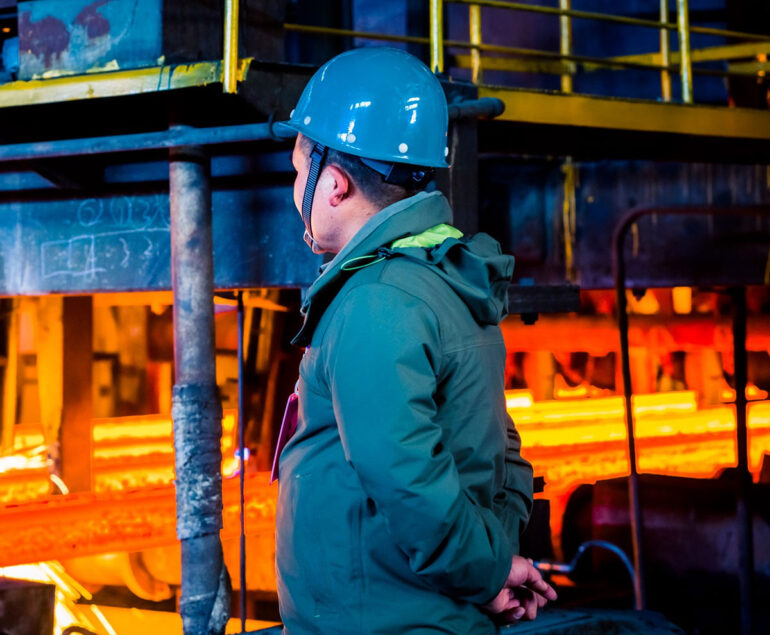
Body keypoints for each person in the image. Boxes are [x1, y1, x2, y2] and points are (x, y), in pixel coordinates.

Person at [273, 47, 556, 634]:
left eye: (298, 172)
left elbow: (406, 478)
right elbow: (499, 446)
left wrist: (488, 571)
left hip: (382, 620)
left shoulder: (376, 301)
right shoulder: (445, 278)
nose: (294, 189)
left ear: (333, 184)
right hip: (429, 611)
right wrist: (495, 560)